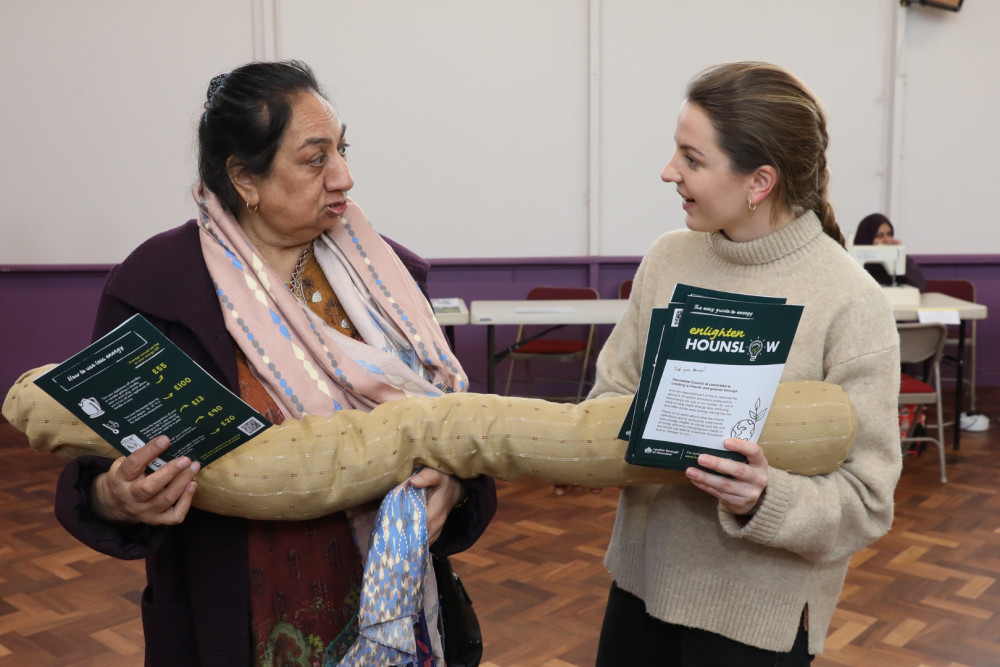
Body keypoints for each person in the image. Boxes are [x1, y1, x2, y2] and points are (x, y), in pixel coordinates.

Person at [24, 60, 496, 667]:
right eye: (315, 158)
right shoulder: (158, 287)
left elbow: (452, 428)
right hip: (233, 617)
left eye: (343, 150)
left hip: (392, 604)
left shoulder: (389, 283)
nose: (345, 177)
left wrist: (454, 487)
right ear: (245, 177)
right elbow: (97, 462)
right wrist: (117, 497)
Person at [585, 62, 901, 665]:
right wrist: (585, 451)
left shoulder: (851, 301)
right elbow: (612, 392)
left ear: (759, 181)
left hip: (759, 622)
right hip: (638, 593)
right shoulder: (667, 259)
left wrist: (764, 498)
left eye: (692, 158)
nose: (668, 171)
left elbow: (867, 501)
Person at [853, 212, 927, 291]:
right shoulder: (853, 269)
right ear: (867, 238)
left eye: (889, 234)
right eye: (880, 236)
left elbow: (920, 285)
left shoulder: (891, 267)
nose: (887, 240)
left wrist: (900, 255)